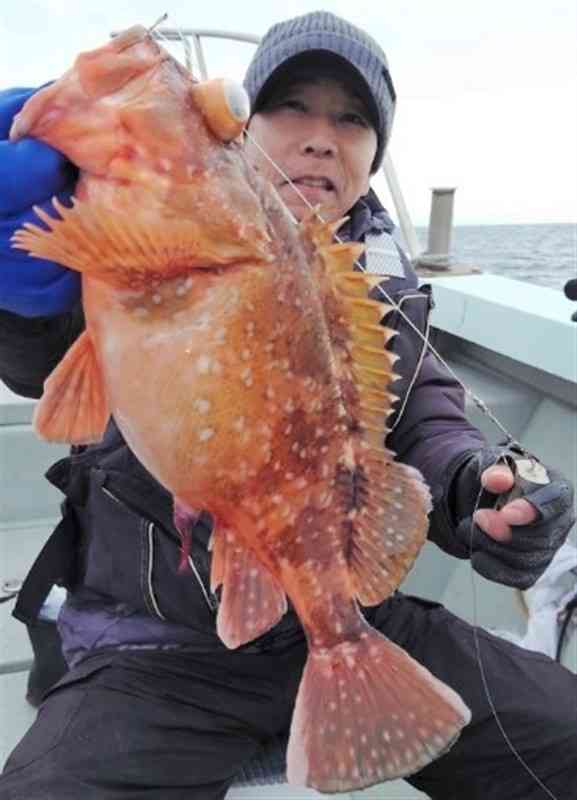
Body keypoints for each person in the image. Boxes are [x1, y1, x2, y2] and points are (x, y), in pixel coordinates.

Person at [0, 10, 575, 800]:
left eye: (351, 119)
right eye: (288, 107)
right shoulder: (146, 247)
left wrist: (478, 492)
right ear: (238, 130)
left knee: (564, 731)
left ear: (374, 155)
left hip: (343, 617)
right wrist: (22, 300)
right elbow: (43, 366)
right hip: (150, 650)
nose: (318, 137)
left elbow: (428, 423)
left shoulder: (385, 302)